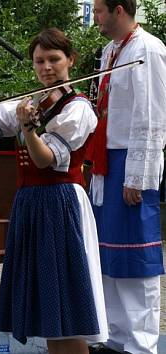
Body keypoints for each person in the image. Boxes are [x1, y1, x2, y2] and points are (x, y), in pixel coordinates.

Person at [0, 28, 108, 354]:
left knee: (67, 307)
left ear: (70, 60)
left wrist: (29, 129)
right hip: (31, 204)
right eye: (39, 60)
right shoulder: (29, 102)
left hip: (60, 204)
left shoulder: (78, 109)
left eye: (53, 59)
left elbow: (46, 160)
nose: (46, 67)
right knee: (49, 307)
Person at [89, 1, 166, 353]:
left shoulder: (148, 48)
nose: (95, 17)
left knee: (135, 254)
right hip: (106, 157)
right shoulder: (110, 50)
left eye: (99, 10)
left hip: (131, 159)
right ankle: (116, 338)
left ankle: (140, 344)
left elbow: (152, 113)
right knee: (109, 254)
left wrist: (138, 175)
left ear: (118, 10)